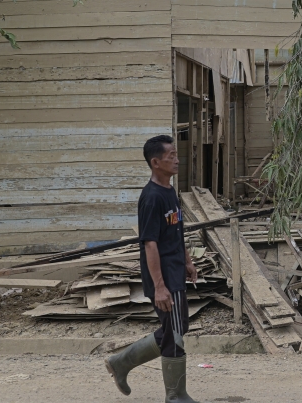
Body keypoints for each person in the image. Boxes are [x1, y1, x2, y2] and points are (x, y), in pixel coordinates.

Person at [105, 135, 200, 403]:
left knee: (177, 329)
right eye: (170, 155)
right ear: (155, 162)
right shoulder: (151, 198)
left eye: (176, 154)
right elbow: (150, 244)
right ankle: (175, 395)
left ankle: (121, 362)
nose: (176, 159)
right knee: (175, 333)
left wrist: (188, 261)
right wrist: (159, 286)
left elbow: (176, 231)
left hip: (175, 271)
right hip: (164, 277)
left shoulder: (170, 191)